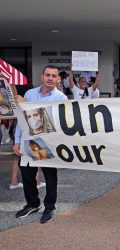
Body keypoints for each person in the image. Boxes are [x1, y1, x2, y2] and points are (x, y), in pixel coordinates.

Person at [13, 65, 68, 224]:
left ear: (58, 79)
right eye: (48, 75)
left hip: (48, 143)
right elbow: (21, 119)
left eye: (54, 76)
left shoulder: (61, 98)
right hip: (29, 141)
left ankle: (49, 207)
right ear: (42, 77)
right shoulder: (30, 94)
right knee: (27, 174)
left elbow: (56, 123)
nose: (50, 78)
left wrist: (29, 108)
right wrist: (17, 141)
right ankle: (32, 204)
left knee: (50, 175)